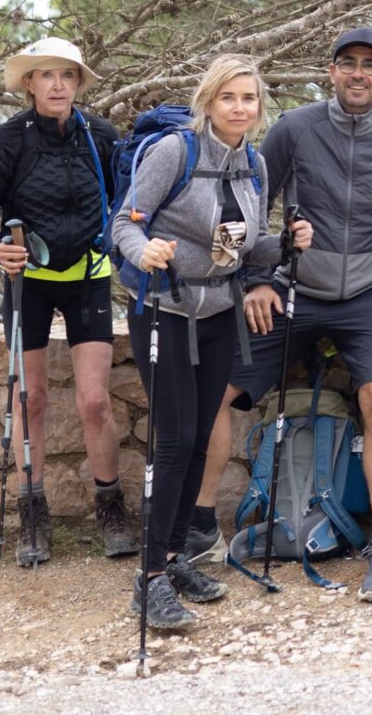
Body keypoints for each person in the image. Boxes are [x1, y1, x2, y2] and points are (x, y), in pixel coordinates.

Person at [180, 27, 372, 604]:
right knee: (218, 393)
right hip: (298, 291)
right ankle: (197, 525)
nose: (359, 74)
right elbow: (251, 207)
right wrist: (261, 279)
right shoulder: (294, 129)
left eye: (371, 65)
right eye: (348, 64)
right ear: (331, 71)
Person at [112, 54, 314, 630]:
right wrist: (141, 250)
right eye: (229, 97)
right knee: (173, 442)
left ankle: (173, 560)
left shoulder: (253, 163)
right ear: (208, 101)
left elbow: (244, 251)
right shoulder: (173, 151)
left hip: (220, 311)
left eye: (249, 99)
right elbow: (124, 224)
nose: (240, 108)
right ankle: (147, 579)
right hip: (165, 309)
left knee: (200, 439)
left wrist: (288, 243)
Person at [0, 37, 134, 565]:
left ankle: (111, 507)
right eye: (46, 75)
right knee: (29, 399)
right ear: (30, 84)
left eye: (67, 75)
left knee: (93, 402)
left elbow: (127, 203)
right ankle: (32, 514)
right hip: (28, 281)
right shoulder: (8, 140)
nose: (58, 84)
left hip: (87, 274)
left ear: (79, 83)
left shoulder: (100, 136)